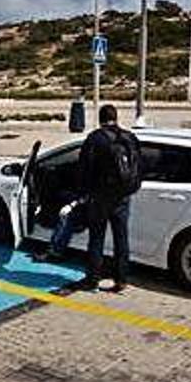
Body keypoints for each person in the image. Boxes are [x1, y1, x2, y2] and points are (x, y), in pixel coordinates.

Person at [77, 104, 141, 293]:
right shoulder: (129, 137)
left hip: (100, 197)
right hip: (123, 196)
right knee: (121, 238)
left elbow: (84, 169)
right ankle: (121, 280)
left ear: (100, 118)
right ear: (116, 117)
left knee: (96, 238)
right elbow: (139, 164)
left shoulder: (95, 139)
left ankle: (92, 280)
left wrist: (83, 193)